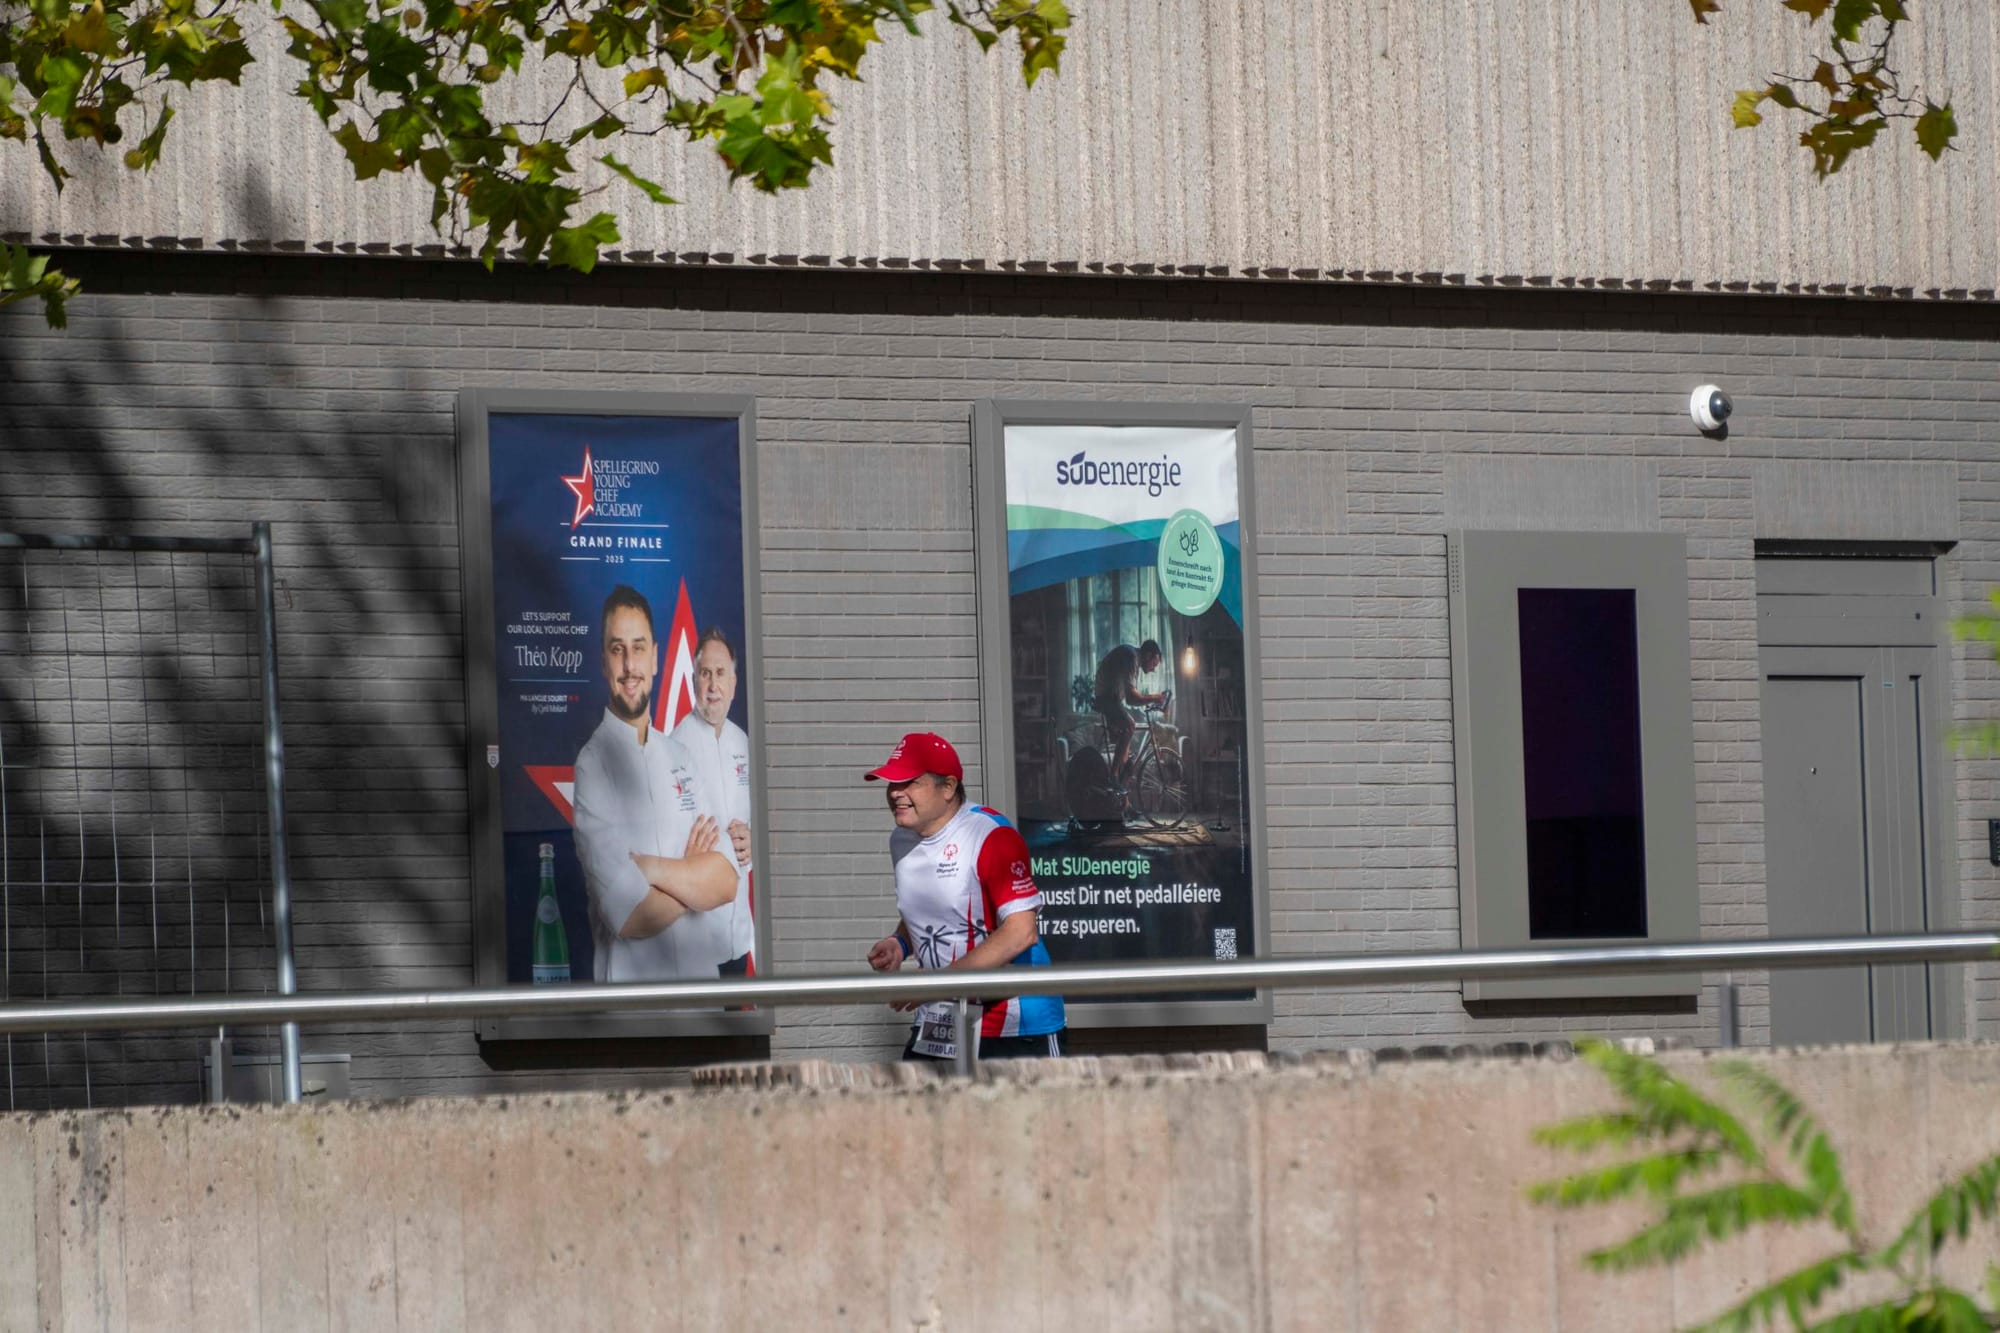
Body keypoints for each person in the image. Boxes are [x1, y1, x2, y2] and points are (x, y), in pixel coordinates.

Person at [571, 585, 740, 981]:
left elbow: (726, 881)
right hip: (636, 1005)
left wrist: (649, 869)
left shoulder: (681, 756)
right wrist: (692, 877)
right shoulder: (592, 766)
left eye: (639, 648)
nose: (630, 665)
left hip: (702, 999)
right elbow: (631, 913)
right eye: (618, 649)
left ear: (655, 658)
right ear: (603, 661)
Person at [863, 732, 1065, 1061]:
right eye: (892, 783)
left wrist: (938, 983)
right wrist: (899, 943)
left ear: (948, 787)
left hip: (1013, 1024)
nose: (896, 793)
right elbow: (939, 910)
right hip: (941, 1015)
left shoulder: (990, 834)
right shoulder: (901, 840)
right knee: (916, 1096)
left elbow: (1021, 931)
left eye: (910, 782)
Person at [669, 626, 756, 976]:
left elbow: (756, 822)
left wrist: (753, 841)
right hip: (696, 933)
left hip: (738, 932)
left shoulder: (743, 743)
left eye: (721, 674)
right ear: (694, 681)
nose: (712, 685)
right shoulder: (674, 747)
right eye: (705, 673)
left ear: (733, 683)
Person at [1093, 639, 1167, 787]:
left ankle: (1121, 794)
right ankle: (1113, 777)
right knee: (1130, 725)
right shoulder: (1131, 657)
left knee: (1126, 757)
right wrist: (1155, 697)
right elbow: (1132, 698)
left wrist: (1151, 700)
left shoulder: (1132, 658)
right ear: (1148, 655)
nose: (1153, 669)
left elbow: (1131, 696)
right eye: (1154, 664)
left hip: (1111, 698)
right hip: (1107, 698)